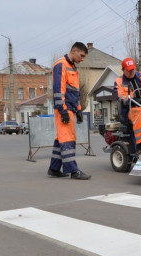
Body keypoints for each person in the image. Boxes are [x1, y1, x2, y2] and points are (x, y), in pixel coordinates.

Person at [47, 42, 91, 180]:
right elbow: (58, 90)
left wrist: (78, 110)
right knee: (68, 139)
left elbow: (74, 91)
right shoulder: (61, 64)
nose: (82, 59)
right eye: (81, 55)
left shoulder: (72, 67)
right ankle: (73, 171)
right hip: (64, 109)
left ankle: (54, 169)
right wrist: (63, 111)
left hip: (70, 108)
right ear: (74, 51)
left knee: (60, 138)